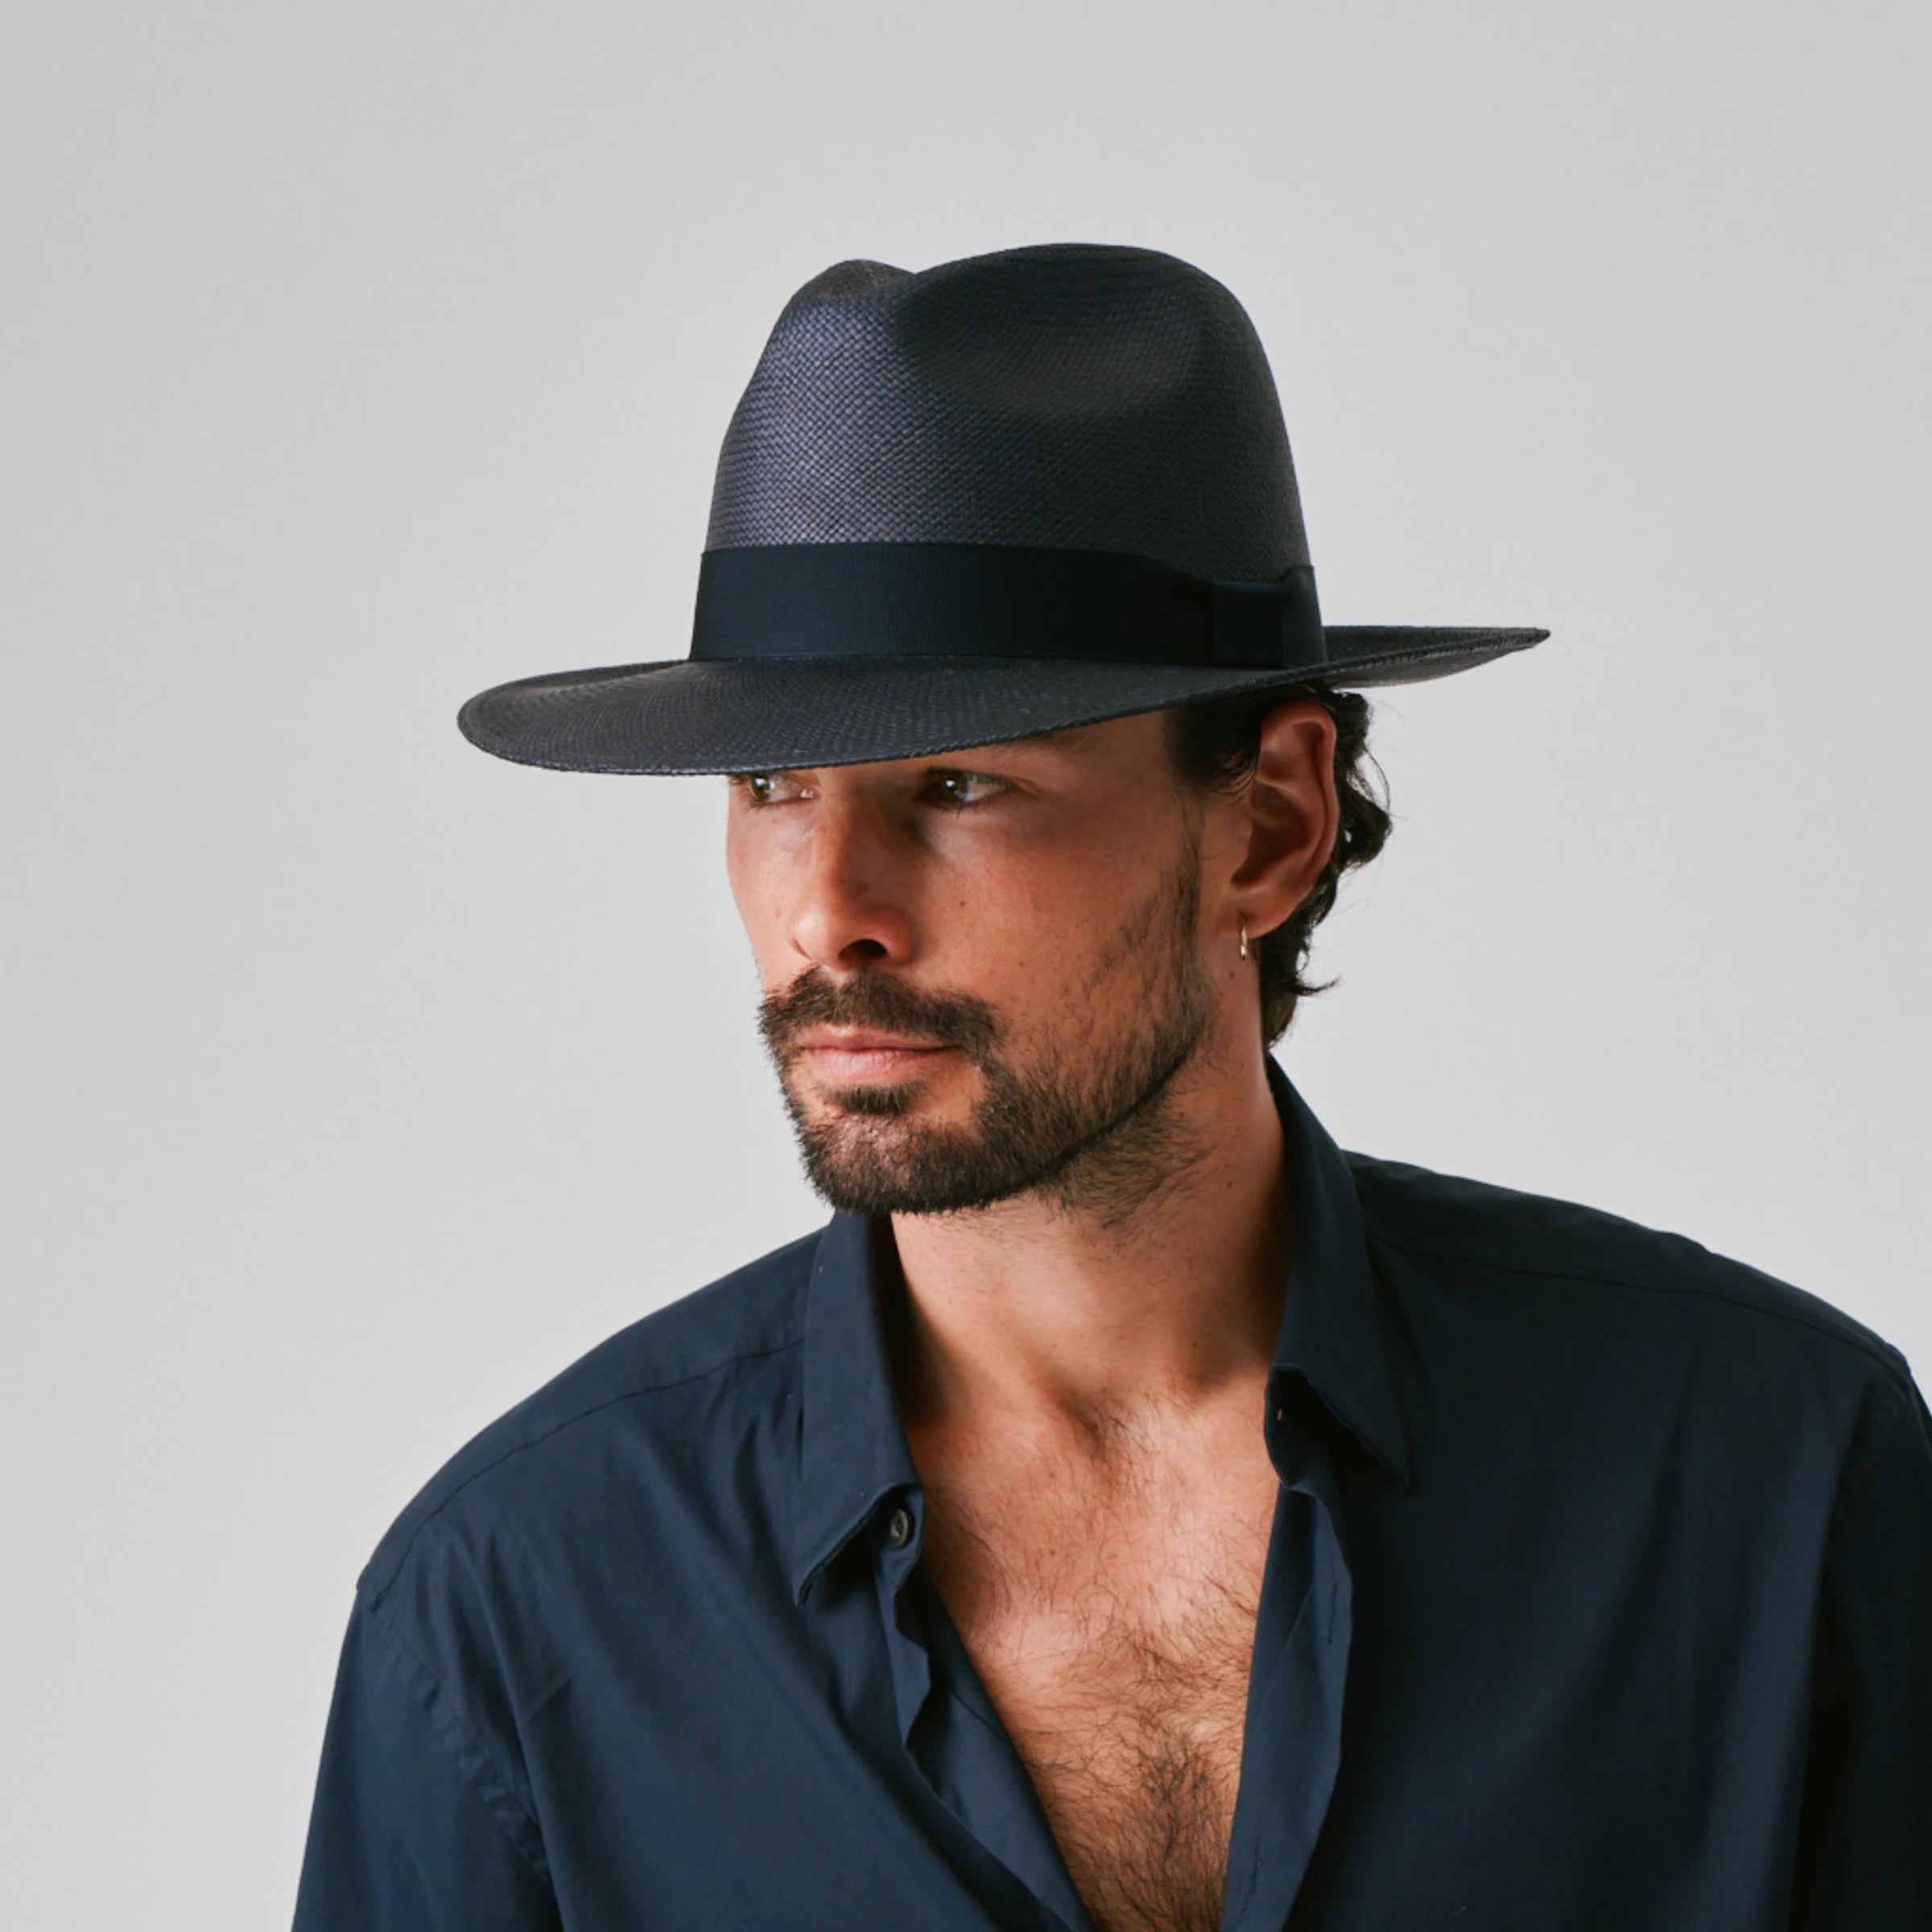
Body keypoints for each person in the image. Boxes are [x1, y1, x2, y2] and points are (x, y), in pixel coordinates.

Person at [291, 244, 1931, 1932]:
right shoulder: (522, 1601)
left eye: (959, 781)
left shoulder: (1767, 1473)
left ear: (1272, 825)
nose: (825, 907)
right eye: (775, 783)